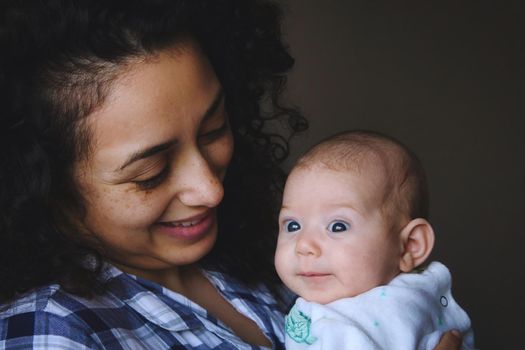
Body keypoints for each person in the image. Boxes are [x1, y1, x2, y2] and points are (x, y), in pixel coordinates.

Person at [0, 1, 463, 349]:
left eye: (214, 129)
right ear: (45, 186)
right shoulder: (52, 328)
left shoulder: (271, 267)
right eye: (151, 172)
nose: (211, 189)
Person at [275, 130, 474, 349]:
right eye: (292, 225)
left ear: (410, 246)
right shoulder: (418, 299)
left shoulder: (345, 326)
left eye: (338, 226)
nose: (304, 245)